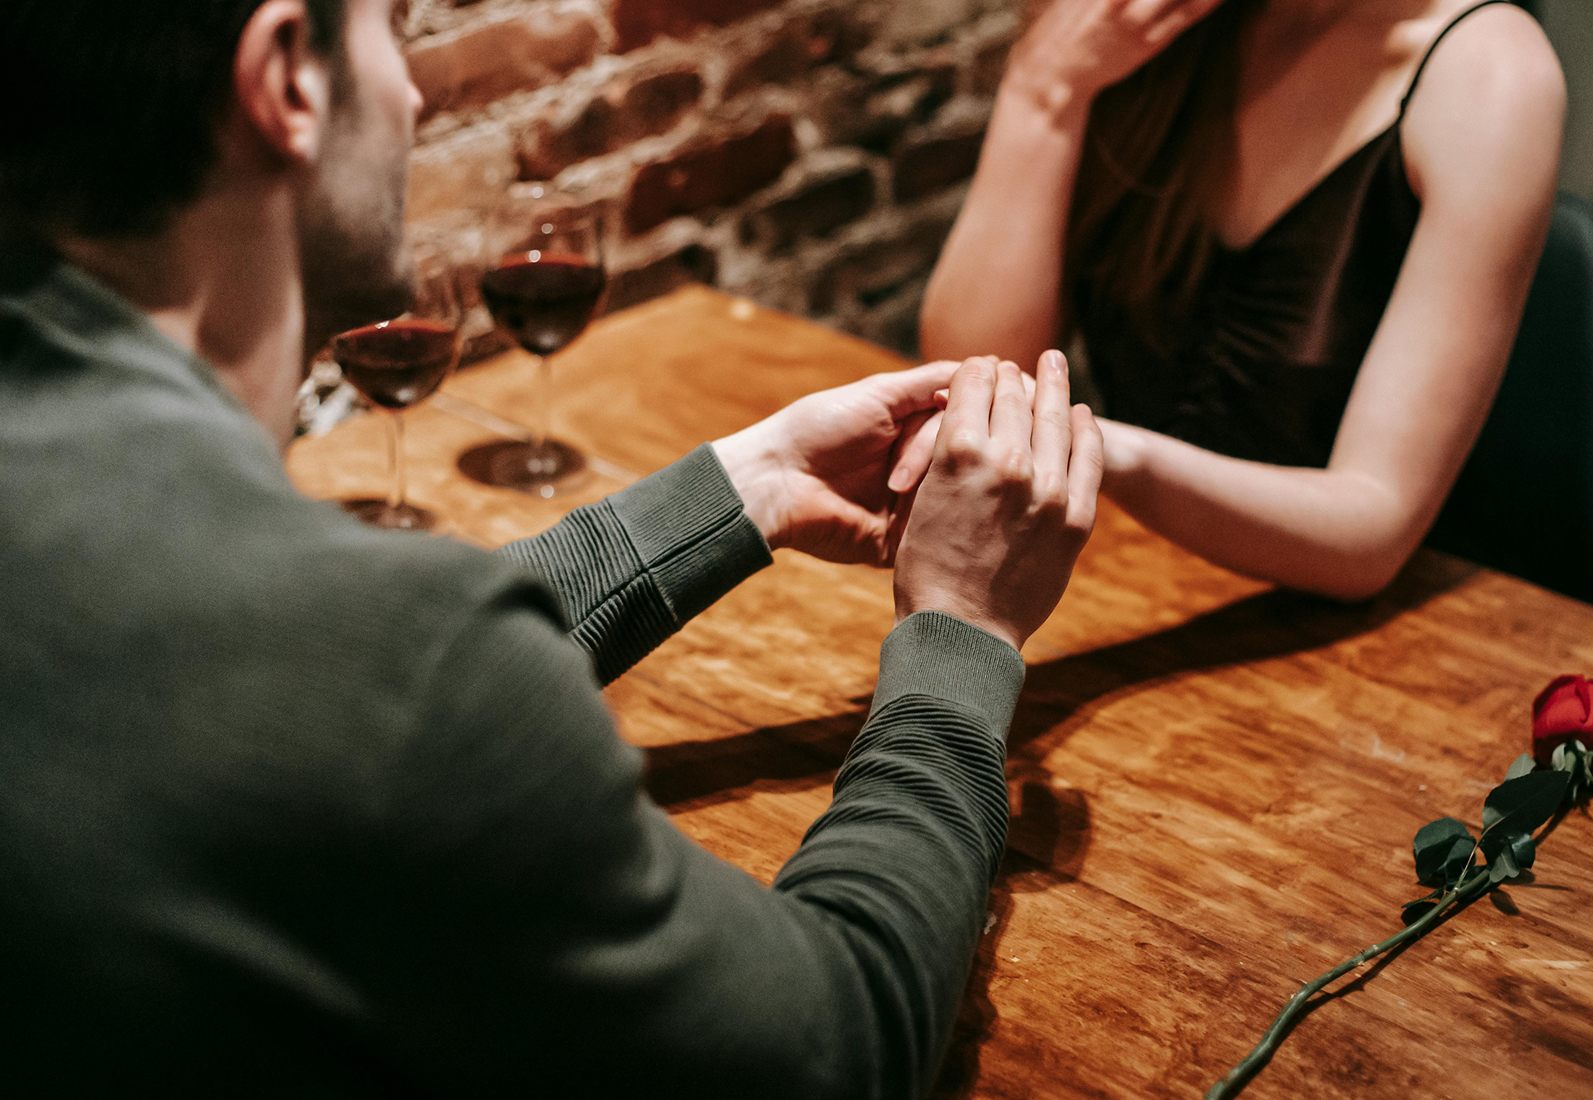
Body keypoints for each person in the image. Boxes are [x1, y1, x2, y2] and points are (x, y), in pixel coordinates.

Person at [0, 0, 1102, 1093]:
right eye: (393, 27)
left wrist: (741, 488)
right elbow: (837, 1043)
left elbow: (280, 682)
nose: (417, 90)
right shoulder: (374, 664)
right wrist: (958, 628)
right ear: (288, 78)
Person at [915, 0, 1565, 600]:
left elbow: (1371, 534)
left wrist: (1102, 449)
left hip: (1375, 635)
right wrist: (1044, 92)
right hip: (1131, 574)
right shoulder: (1166, 23)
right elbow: (973, 375)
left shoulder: (1489, 73)